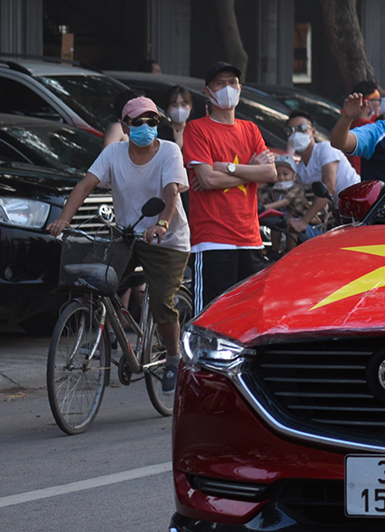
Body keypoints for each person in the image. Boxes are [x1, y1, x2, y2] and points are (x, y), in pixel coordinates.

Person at [46, 97, 191, 389]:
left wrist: (161, 224)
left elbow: (171, 191)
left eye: (152, 122)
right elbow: (84, 185)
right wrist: (63, 219)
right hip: (128, 236)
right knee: (96, 283)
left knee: (163, 302)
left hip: (168, 241)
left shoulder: (170, 151)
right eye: (138, 122)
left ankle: (174, 358)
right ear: (125, 125)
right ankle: (110, 335)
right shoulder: (113, 153)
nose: (146, 127)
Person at [180, 63, 283, 310]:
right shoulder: (197, 129)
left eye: (233, 82)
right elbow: (207, 180)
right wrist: (251, 171)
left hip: (251, 239)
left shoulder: (250, 129)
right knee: (211, 316)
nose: (228, 88)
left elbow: (270, 173)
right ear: (207, 91)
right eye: (220, 83)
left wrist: (227, 167)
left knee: (248, 316)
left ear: (240, 88)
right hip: (213, 241)